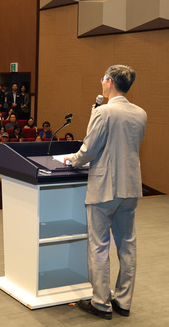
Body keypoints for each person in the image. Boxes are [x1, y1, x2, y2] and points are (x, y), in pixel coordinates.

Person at [67, 65, 146, 319]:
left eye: (103, 78)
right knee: (127, 245)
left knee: (99, 245)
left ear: (110, 81)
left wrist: (73, 160)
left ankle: (101, 303)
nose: (101, 82)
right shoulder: (140, 113)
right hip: (130, 187)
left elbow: (89, 150)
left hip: (105, 187)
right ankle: (123, 301)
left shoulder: (103, 112)